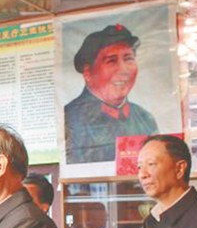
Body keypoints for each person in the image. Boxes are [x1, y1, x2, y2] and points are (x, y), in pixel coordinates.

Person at [64, 24, 158, 163]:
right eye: (111, 61)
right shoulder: (68, 118)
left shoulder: (145, 119)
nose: (123, 70)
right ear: (88, 72)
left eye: (128, 59)